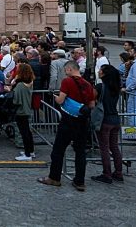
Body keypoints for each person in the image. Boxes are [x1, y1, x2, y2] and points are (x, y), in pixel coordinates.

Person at [38, 61, 95, 191]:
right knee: (80, 152)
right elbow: (92, 104)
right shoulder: (87, 84)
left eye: (65, 70)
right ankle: (79, 181)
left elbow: (61, 100)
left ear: (69, 69)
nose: (65, 73)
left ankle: (54, 178)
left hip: (68, 120)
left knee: (58, 150)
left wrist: (56, 98)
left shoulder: (67, 81)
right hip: (83, 120)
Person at [92, 65, 124, 184]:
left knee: (104, 148)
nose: (99, 71)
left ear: (105, 74)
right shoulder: (116, 87)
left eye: (101, 70)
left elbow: (91, 99)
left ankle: (107, 174)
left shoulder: (100, 87)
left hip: (104, 120)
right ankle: (118, 172)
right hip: (115, 119)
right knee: (114, 147)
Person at [12, 64, 35, 161]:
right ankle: (31, 150)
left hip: (21, 110)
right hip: (27, 108)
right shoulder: (30, 82)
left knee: (24, 132)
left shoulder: (20, 85)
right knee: (28, 132)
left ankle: (27, 154)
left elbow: (16, 100)